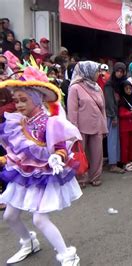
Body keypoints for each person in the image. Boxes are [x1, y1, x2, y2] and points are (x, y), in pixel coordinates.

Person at [0, 66, 82, 265]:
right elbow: (18, 149)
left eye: (23, 100)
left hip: (45, 175)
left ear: (36, 100)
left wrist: (58, 156)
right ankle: (29, 242)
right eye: (16, 100)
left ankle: (68, 255)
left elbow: (61, 145)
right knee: (10, 215)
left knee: (39, 219)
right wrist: (6, 159)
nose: (18, 105)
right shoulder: (19, 122)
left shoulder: (49, 122)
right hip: (24, 174)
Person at [67, 61, 108, 187]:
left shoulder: (97, 87)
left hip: (97, 125)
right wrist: (74, 129)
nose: (98, 74)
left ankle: (95, 176)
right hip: (81, 127)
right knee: (80, 153)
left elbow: (103, 109)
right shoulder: (75, 88)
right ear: (87, 72)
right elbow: (72, 110)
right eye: (96, 71)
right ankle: (80, 178)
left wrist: (104, 126)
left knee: (97, 153)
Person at [104, 62, 127, 173]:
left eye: (121, 71)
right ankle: (112, 164)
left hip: (118, 114)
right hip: (111, 114)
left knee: (116, 139)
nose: (119, 73)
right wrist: (113, 116)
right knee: (112, 139)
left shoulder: (121, 83)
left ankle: (116, 161)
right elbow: (109, 101)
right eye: (117, 71)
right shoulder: (110, 84)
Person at [118, 80, 132, 171]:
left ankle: (131, 160)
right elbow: (121, 114)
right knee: (125, 145)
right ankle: (125, 161)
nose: (129, 90)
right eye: (126, 89)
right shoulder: (122, 101)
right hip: (125, 127)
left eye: (130, 88)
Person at [0, 88, 15, 210]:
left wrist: (1, 111)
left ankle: (6, 195)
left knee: (5, 164)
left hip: (4, 132)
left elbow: (14, 103)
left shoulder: (4, 89)